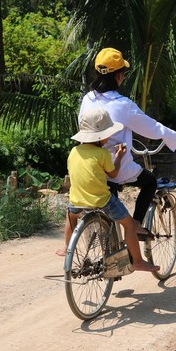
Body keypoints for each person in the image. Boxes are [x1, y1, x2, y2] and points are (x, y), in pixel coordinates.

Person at [79, 47, 176, 232]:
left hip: (89, 165)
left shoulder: (87, 99)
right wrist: (174, 137)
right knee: (150, 181)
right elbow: (152, 128)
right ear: (118, 77)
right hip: (114, 167)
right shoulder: (123, 104)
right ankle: (135, 227)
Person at [56, 107, 159, 273]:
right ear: (100, 136)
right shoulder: (102, 153)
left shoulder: (74, 152)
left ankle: (67, 247)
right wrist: (118, 157)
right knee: (130, 225)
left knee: (71, 215)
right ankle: (138, 261)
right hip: (102, 200)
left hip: (77, 199)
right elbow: (114, 173)